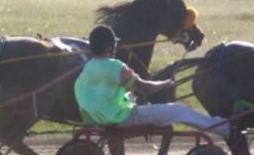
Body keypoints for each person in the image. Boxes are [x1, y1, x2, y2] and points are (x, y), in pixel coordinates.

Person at [74, 25, 230, 138]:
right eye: (114, 46)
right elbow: (146, 89)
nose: (116, 49)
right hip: (120, 119)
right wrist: (165, 84)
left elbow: (105, 94)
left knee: (130, 97)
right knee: (179, 110)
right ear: (109, 48)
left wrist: (129, 96)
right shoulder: (116, 67)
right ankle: (224, 128)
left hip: (93, 119)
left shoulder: (87, 68)